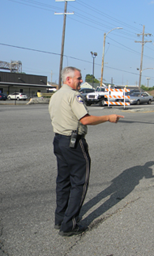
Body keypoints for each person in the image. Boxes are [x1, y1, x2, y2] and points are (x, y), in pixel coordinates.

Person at [49, 66, 124, 237]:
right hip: (73, 143)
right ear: (68, 80)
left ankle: (60, 218)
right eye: (78, 78)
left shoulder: (56, 95)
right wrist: (108, 117)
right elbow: (86, 119)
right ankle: (70, 225)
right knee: (79, 183)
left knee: (63, 181)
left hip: (59, 140)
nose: (81, 81)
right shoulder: (73, 95)